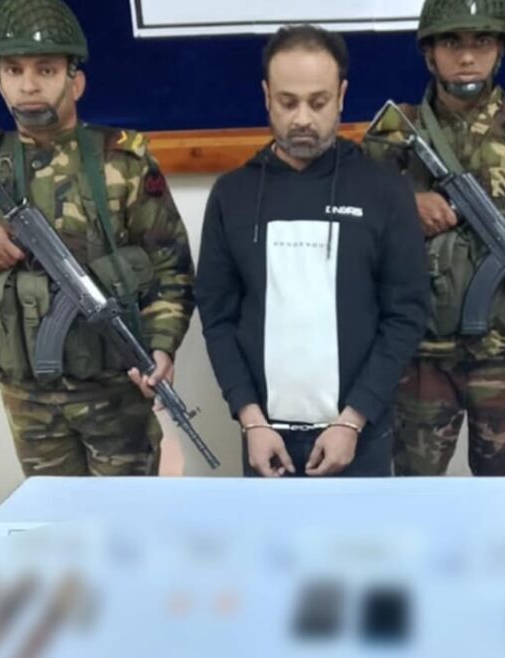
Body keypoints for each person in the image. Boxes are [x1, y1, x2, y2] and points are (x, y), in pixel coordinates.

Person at [0, 0, 194, 476]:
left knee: (128, 516)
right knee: (54, 516)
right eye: (13, 70)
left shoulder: (121, 163)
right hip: (29, 400)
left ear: (75, 81)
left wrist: (162, 347)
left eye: (46, 69)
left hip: (115, 392)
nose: (28, 85)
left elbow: (171, 267)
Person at [362, 0, 505, 476]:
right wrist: (404, 207)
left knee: (502, 500)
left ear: (500, 50)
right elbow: (352, 229)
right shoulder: (393, 137)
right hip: (419, 356)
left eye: (481, 42)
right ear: (429, 53)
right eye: (451, 42)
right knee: (414, 498)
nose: (466, 57)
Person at [195, 25, 429, 477]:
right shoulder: (232, 195)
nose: (303, 118)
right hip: (265, 440)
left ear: (341, 96)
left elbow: (406, 313)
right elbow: (218, 317)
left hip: (359, 437)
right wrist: (250, 420)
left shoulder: (384, 190)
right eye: (288, 102)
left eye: (318, 102)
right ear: (267, 96)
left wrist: (353, 419)